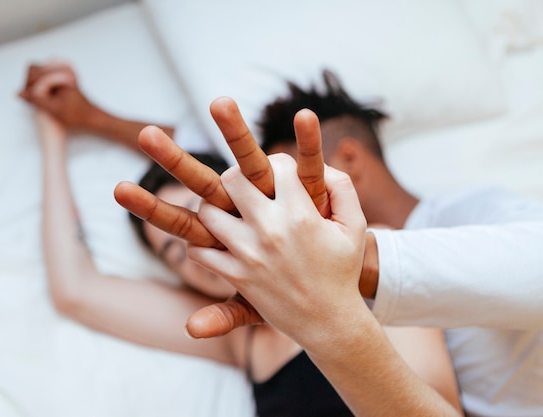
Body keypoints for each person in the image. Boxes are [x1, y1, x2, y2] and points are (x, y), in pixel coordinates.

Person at [23, 63, 463, 416]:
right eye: (179, 249)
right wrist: (51, 132)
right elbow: (76, 290)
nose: (203, 242)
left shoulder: (365, 255)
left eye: (206, 217)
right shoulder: (240, 336)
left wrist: (330, 316)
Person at [114, 73, 543, 417]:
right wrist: (90, 118)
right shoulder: (262, 317)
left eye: (291, 185)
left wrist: (344, 274)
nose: (280, 210)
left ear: (348, 161)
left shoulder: (470, 214)